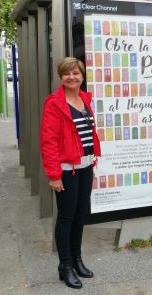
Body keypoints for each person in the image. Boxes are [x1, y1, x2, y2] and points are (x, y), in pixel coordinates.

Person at [40, 57, 101, 289]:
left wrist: (92, 164)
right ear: (61, 77)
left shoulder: (85, 99)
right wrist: (54, 174)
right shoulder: (54, 103)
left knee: (80, 216)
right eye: (67, 73)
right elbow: (48, 141)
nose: (72, 77)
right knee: (66, 217)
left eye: (76, 73)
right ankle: (65, 266)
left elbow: (87, 136)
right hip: (66, 170)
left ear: (82, 76)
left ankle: (77, 259)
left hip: (85, 166)